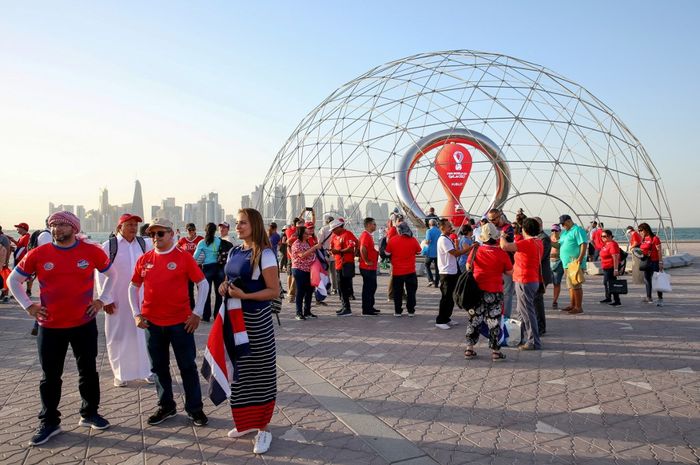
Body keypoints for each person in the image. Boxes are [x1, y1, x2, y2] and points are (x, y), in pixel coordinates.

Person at [8, 211, 116, 446]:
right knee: (50, 376)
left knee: (88, 371)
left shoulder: (91, 251)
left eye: (62, 225)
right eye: (53, 225)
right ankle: (49, 422)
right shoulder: (39, 253)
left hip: (83, 323)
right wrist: (29, 306)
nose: (57, 229)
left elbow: (112, 274)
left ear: (74, 229)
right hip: (50, 326)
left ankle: (89, 414)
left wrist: (101, 300)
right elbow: (12, 280)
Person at [128, 218, 209, 428]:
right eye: (152, 234)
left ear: (171, 234)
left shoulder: (183, 257)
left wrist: (197, 314)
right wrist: (136, 314)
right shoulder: (144, 259)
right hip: (152, 324)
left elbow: (203, 284)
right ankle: (166, 406)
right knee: (158, 367)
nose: (155, 238)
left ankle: (195, 409)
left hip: (181, 324)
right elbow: (133, 287)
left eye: (160, 233)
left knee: (187, 367)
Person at [218, 208, 279, 454]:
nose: (238, 226)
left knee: (260, 372)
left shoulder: (264, 254)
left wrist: (246, 295)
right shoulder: (234, 250)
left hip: (257, 322)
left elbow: (274, 291)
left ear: (254, 224)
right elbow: (230, 277)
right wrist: (224, 286)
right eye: (237, 222)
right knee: (240, 372)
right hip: (235, 319)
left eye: (243, 222)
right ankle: (246, 423)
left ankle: (263, 429)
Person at [96, 213, 153, 387]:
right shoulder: (109, 246)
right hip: (117, 300)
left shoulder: (144, 244)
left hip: (141, 299)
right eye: (129, 225)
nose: (133, 228)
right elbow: (99, 273)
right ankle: (120, 373)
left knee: (143, 335)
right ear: (120, 227)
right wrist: (106, 299)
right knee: (118, 335)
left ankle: (146, 371)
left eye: (135, 225)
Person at [464, 223, 512, 361]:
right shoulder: (502, 253)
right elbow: (509, 272)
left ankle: (469, 349)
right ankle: (496, 352)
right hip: (495, 291)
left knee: (474, 319)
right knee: (494, 321)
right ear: (496, 237)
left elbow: (468, 266)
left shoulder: (475, 250)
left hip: (477, 291)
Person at [500, 218, 544, 351]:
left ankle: (533, 341)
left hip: (525, 280)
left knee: (527, 313)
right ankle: (521, 337)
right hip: (531, 280)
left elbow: (505, 246)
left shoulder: (527, 243)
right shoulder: (538, 242)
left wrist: (502, 236)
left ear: (524, 230)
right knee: (521, 310)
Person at [436, 219, 471, 330]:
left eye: (450, 225)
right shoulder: (443, 240)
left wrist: (456, 244)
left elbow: (454, 253)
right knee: (446, 297)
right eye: (448, 226)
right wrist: (470, 248)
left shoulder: (448, 239)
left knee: (451, 296)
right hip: (446, 272)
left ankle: (447, 318)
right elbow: (455, 253)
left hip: (452, 271)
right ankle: (440, 320)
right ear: (442, 228)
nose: (450, 227)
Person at [384, 222, 421, 317]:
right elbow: (419, 251)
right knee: (411, 292)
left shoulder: (393, 240)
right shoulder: (413, 240)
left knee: (398, 292)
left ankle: (397, 311)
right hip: (410, 271)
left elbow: (387, 253)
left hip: (397, 271)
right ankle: (411, 311)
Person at [194, 223, 225, 322]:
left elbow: (194, 257)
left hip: (207, 268)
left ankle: (206, 316)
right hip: (219, 268)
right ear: (215, 231)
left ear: (205, 231)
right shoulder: (219, 241)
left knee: (206, 293)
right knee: (219, 293)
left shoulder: (202, 242)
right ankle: (217, 316)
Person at [487, 209, 515, 317]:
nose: (492, 221)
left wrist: (498, 240)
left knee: (507, 293)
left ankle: (506, 317)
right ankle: (496, 314)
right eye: (490, 220)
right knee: (494, 291)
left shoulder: (508, 228)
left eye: (494, 219)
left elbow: (505, 246)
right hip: (494, 265)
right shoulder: (491, 227)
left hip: (507, 265)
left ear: (500, 216)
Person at [290, 225, 322, 320]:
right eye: (306, 233)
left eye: (308, 232)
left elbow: (309, 254)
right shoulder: (296, 244)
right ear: (301, 234)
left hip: (309, 270)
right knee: (300, 291)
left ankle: (307, 311)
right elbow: (302, 255)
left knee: (309, 291)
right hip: (299, 270)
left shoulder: (306, 242)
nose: (308, 234)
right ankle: (298, 313)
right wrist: (314, 247)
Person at [558, 214, 587, 315]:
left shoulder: (577, 230)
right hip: (566, 264)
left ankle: (578, 307)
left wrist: (580, 258)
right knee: (570, 286)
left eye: (564, 224)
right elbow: (559, 245)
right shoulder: (565, 232)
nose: (563, 226)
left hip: (574, 263)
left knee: (576, 285)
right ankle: (573, 305)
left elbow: (583, 244)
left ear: (569, 221)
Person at [329, 218, 358, 316]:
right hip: (338, 264)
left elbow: (351, 248)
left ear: (339, 227)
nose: (332, 231)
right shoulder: (334, 236)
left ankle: (347, 308)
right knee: (340, 287)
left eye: (334, 229)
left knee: (345, 286)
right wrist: (331, 251)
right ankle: (344, 306)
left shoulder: (347, 234)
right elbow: (332, 247)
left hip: (346, 264)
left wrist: (340, 251)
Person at [533, 217, 552, 335]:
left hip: (541, 274)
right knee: (535, 300)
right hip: (535, 273)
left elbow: (540, 256)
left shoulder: (544, 238)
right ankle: (537, 325)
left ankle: (540, 327)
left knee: (537, 299)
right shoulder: (536, 238)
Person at [177, 223, 203, 309]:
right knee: (189, 289)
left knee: (201, 288)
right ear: (186, 230)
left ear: (195, 230)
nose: (191, 231)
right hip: (187, 268)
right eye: (189, 230)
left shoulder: (200, 239)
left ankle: (201, 308)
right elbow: (175, 249)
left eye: (193, 229)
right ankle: (191, 308)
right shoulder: (183, 240)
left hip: (198, 266)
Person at [638, 223, 664, 306]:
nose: (640, 232)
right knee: (647, 280)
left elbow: (659, 251)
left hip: (654, 261)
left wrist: (660, 262)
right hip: (646, 262)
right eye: (639, 231)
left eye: (641, 230)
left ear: (646, 229)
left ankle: (660, 298)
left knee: (657, 280)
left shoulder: (655, 238)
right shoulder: (643, 239)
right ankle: (649, 297)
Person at [359, 217, 380, 316]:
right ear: (368, 225)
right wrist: (366, 260)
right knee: (368, 288)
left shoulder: (368, 235)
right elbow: (362, 248)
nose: (375, 226)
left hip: (371, 267)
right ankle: (367, 309)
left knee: (372, 287)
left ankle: (370, 306)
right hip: (367, 267)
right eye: (373, 224)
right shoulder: (365, 236)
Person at [599, 229, 622, 307]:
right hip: (606, 267)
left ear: (609, 236)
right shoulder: (606, 244)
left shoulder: (612, 244)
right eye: (601, 236)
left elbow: (615, 256)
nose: (603, 238)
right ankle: (608, 298)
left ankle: (617, 300)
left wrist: (616, 269)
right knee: (606, 283)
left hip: (611, 267)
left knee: (612, 283)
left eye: (604, 236)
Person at [317, 216, 338, 295]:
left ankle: (328, 288)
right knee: (334, 273)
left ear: (326, 222)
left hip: (325, 254)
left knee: (326, 272)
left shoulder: (324, 229)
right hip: (334, 253)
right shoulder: (336, 229)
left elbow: (319, 242)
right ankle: (335, 288)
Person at [549, 224, 564, 309]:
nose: (554, 232)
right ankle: (538, 298)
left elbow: (559, 247)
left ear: (559, 231)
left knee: (556, 283)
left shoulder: (562, 239)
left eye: (556, 230)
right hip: (549, 262)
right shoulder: (549, 238)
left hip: (558, 263)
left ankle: (555, 301)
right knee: (544, 281)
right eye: (553, 230)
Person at [424, 219, 441, 287]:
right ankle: (436, 283)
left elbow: (428, 241)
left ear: (429, 224)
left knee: (426, 265)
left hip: (430, 252)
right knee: (437, 268)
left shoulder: (429, 231)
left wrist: (424, 242)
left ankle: (431, 280)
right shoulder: (439, 231)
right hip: (438, 252)